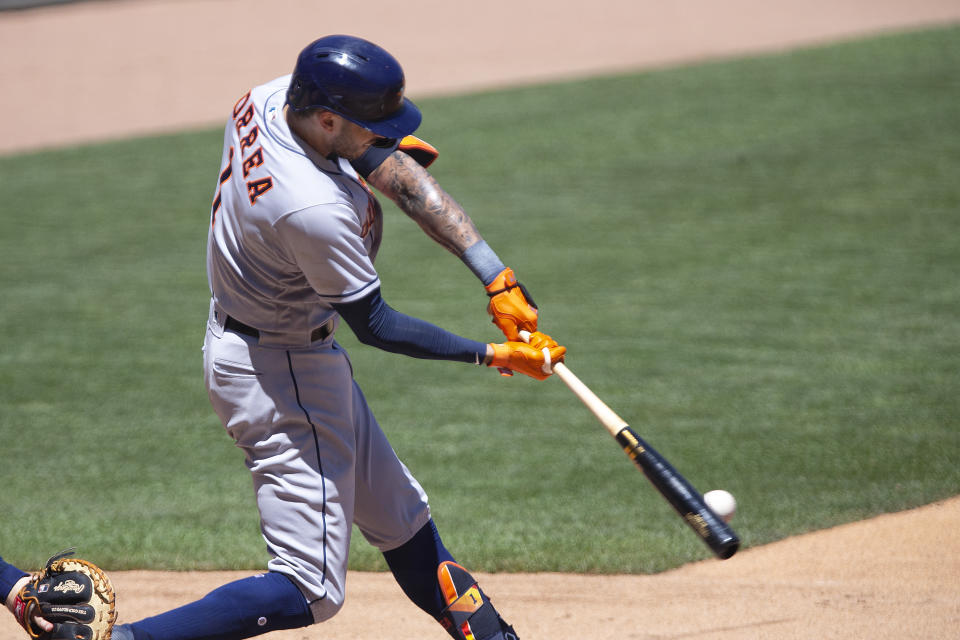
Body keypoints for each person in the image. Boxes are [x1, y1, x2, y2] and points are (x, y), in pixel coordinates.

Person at [5, 35, 565, 640]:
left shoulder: (272, 99)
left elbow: (390, 166)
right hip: (279, 370)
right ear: (328, 119)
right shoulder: (310, 209)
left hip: (277, 345)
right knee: (310, 588)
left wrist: (495, 276)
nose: (384, 135)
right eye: (372, 124)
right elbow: (377, 325)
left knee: (401, 517)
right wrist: (493, 355)